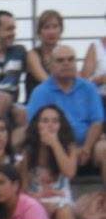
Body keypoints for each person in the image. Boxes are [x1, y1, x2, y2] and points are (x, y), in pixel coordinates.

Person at [26, 45, 106, 184]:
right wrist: (69, 150)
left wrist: (86, 147)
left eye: (71, 59)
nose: (66, 63)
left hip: (86, 146)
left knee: (104, 148)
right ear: (50, 66)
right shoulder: (40, 92)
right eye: (60, 60)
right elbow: (35, 127)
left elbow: (97, 122)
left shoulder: (89, 88)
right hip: (54, 147)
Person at [20, 106, 85, 219]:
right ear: (37, 124)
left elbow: (69, 172)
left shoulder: (69, 146)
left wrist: (55, 144)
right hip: (36, 200)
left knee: (64, 211)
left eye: (55, 121)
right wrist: (38, 200)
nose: (50, 125)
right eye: (45, 121)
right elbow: (23, 188)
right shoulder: (28, 150)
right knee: (39, 211)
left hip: (62, 199)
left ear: (60, 125)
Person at [26, 9, 65, 89]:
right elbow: (45, 81)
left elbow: (75, 80)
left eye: (55, 27)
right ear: (39, 32)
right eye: (46, 27)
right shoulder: (33, 55)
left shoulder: (65, 54)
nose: (51, 32)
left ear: (61, 30)